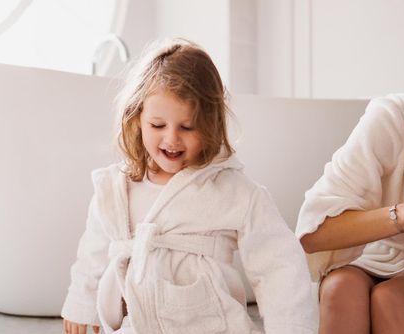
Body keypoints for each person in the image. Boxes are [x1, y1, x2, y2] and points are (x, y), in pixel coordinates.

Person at [61, 38, 317, 334]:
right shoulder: (115, 188)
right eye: (158, 125)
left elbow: (279, 266)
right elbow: (93, 252)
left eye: (187, 127)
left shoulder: (233, 190)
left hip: (212, 325)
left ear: (210, 125)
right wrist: (82, 303)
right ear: (137, 118)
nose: (171, 139)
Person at [296, 93, 404, 334]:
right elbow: (313, 233)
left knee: (390, 300)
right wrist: (402, 215)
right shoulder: (393, 116)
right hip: (378, 252)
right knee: (341, 289)